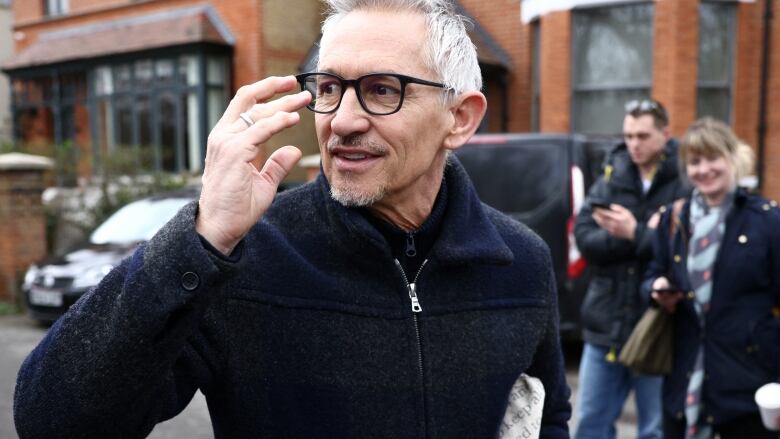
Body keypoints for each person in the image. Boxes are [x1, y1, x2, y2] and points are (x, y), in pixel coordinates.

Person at [13, 1, 571, 438]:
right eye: (329, 89)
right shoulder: (243, 258)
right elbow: (54, 421)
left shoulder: (519, 260)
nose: (342, 121)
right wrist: (201, 236)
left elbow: (546, 417)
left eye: (382, 90)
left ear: (460, 117)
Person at [645, 117, 780, 439]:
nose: (704, 169)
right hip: (685, 380)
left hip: (749, 384)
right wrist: (655, 288)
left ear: (732, 158)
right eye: (694, 162)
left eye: (712, 158)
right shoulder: (673, 221)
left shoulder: (767, 221)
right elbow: (653, 273)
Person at [573, 99, 690, 439]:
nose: (634, 144)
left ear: (665, 135)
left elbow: (684, 253)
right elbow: (584, 237)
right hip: (606, 322)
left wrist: (633, 231)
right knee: (591, 424)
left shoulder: (684, 180)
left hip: (656, 324)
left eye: (642, 135)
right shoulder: (613, 173)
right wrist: (642, 236)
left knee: (655, 429)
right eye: (628, 136)